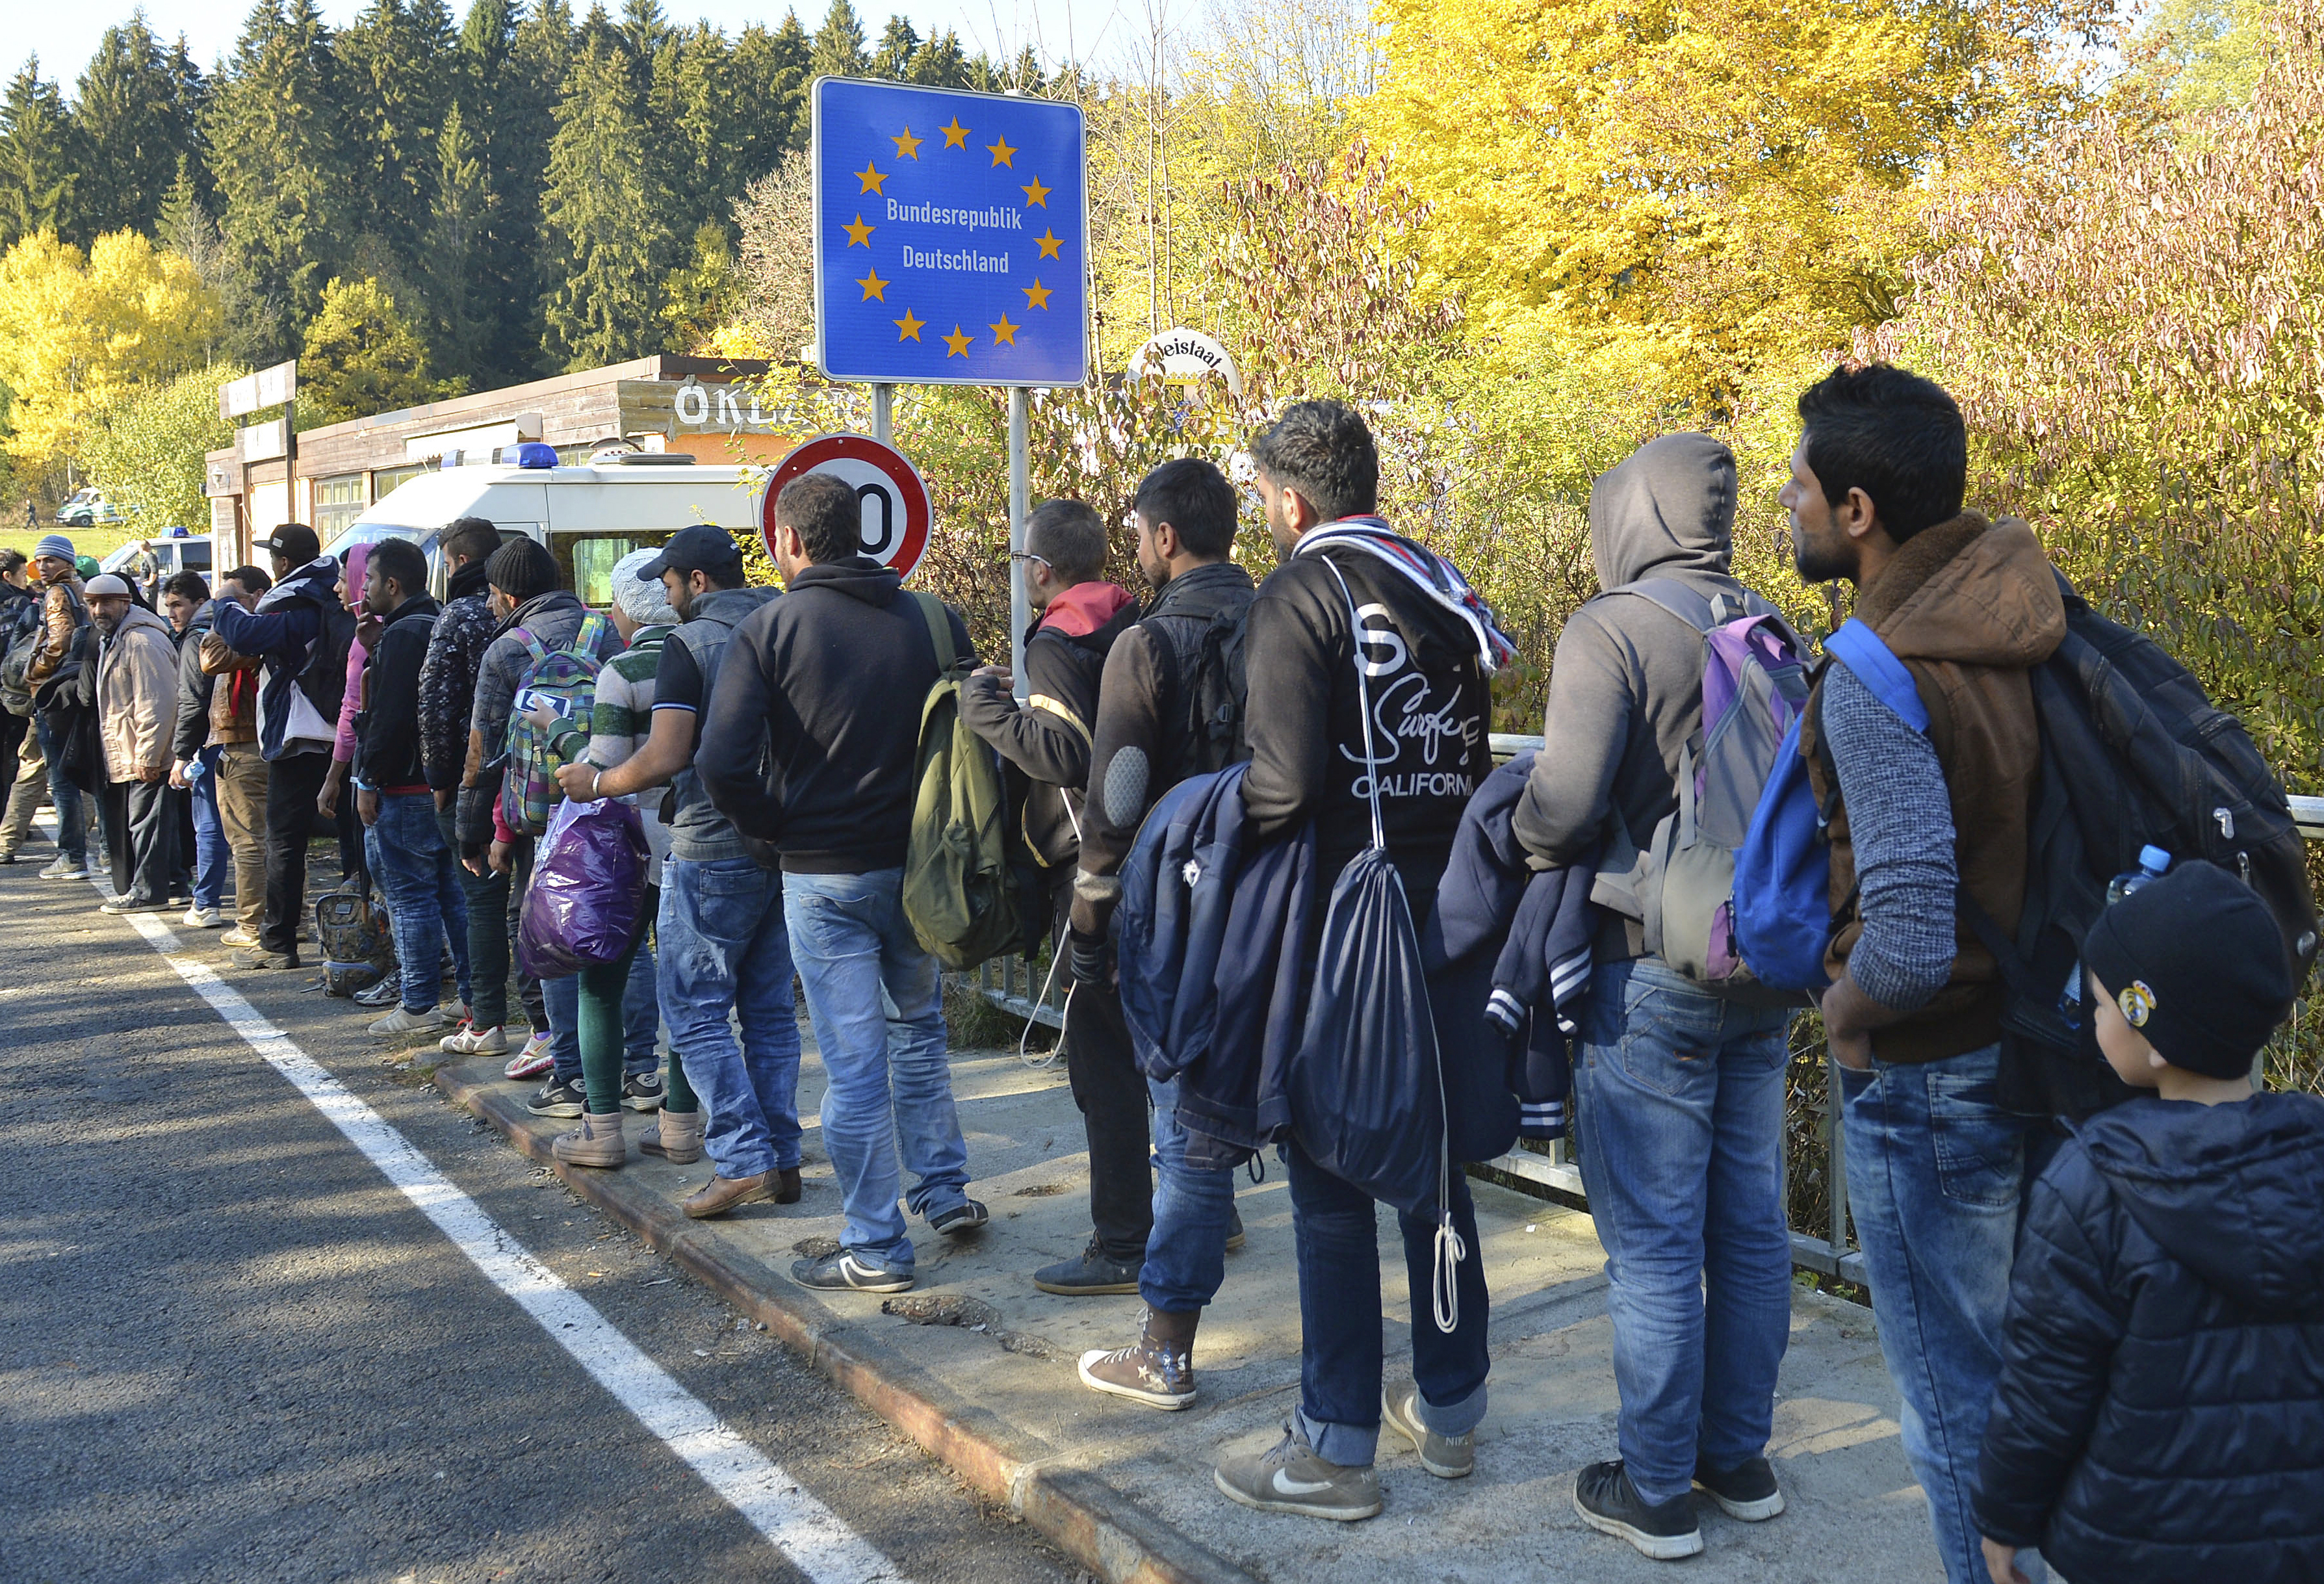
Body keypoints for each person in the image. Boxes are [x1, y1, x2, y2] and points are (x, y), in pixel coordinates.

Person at [1779, 364, 2066, 1584]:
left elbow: (1901, 931)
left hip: (1930, 1073)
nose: (1783, 503)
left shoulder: (1878, 667)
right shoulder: (2022, 613)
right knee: (2033, 1387)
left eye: (1798, 483)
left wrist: (1845, 1023)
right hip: (2039, 1042)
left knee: (1954, 1413)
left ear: (1857, 511)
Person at [1508, 435, 1800, 1559]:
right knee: (1752, 1227)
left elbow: (1565, 800)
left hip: (1648, 966)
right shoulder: (1771, 623)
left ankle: (1659, 1488)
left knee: (1655, 1246)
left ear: (1626, 509)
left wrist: (1525, 839)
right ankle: (1739, 1460)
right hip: (1764, 960)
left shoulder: (1613, 627)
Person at [1213, 399, 1499, 1522]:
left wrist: (1207, 815)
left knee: (1330, 1177)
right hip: (1451, 916)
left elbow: (1280, 787)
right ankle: (1452, 1407)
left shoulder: (1300, 594)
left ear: (1289, 501)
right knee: (1430, 1167)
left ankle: (1332, 1446)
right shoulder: (1440, 587)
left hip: (1345, 924)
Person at [1974, 861, 2324, 1584]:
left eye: (2101, 1003)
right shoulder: (2310, 1160)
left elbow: (2045, 1390)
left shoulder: (2094, 1185)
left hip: (2128, 1546)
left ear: (2153, 1033)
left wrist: (2005, 1518)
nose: (2091, 1014)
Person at [698, 475, 982, 1289]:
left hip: (823, 876)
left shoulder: (771, 629)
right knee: (921, 1031)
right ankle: (945, 1190)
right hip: (922, 870)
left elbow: (721, 761)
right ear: (868, 534)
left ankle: (878, 1247)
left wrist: (769, 828)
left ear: (790, 543)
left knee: (854, 1066)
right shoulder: (932, 619)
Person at [1070, 458, 1259, 1397]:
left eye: (1139, 534)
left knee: (1185, 1112)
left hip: (1180, 907)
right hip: (1280, 896)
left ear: (1165, 539)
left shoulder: (1146, 645)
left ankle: (1165, 1347)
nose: (1136, 547)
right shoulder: (1285, 618)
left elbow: (1118, 795)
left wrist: (1090, 906)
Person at [956, 500, 1141, 1293]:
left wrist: (988, 709)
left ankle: (1121, 1241)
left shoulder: (1060, 638)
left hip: (1091, 868)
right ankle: (1206, 1208)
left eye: (1021, 560)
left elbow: (1066, 754)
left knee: (1103, 1066)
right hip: (1160, 857)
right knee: (1155, 1050)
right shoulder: (1136, 620)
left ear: (1042, 568)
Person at [544, 541, 745, 1173]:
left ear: (630, 609)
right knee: (690, 985)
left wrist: (562, 735)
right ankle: (682, 1126)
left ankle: (602, 1129)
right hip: (701, 839)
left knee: (602, 981)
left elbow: (605, 760)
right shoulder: (722, 650)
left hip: (627, 847)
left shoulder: (623, 670)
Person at [458, 536, 598, 1112]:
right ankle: (618, 1056)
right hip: (609, 802)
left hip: (539, 815)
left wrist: (474, 828)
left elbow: (483, 748)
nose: (490, 605)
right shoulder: (601, 630)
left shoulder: (508, 649)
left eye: (491, 593)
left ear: (510, 593)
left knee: (538, 925)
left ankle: (555, 1045)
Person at [209, 525, 352, 970]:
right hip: (345, 737)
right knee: (354, 841)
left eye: (273, 559)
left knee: (285, 842)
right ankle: (357, 938)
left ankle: (278, 942)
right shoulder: (336, 591)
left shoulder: (297, 600)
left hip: (299, 736)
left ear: (284, 562)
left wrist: (225, 600)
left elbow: (245, 636)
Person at [352, 536, 472, 1037]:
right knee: (450, 895)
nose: (365, 589)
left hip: (404, 786)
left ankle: (419, 1002)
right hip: (443, 783)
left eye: (371, 579)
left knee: (410, 898)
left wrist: (367, 777)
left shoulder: (404, 636)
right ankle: (472, 997)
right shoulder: (438, 623)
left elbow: (391, 717)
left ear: (393, 585)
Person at [415, 519, 524, 1060]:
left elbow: (437, 706)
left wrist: (439, 781)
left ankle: (486, 1019)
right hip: (539, 777)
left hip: (476, 779)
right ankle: (549, 1025)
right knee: (528, 900)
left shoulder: (458, 616)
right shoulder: (557, 615)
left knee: (481, 897)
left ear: (456, 562)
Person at [84, 573, 179, 913]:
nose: (99, 610)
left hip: (145, 752)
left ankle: (149, 893)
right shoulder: (113, 638)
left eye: (107, 602)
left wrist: (149, 755)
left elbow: (158, 702)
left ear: (126, 602)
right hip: (130, 749)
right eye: (92, 603)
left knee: (146, 825)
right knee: (148, 824)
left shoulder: (141, 640)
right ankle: (170, 885)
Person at [196, 567, 274, 948]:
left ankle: (253, 924)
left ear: (257, 596)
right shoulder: (272, 630)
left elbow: (210, 658)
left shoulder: (253, 633)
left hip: (247, 747)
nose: (226, 607)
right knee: (277, 839)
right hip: (262, 743)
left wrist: (224, 607)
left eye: (235, 598)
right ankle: (285, 921)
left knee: (249, 841)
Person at [161, 570, 230, 928]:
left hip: (211, 742)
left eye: (178, 605)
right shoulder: (229, 627)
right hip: (238, 736)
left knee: (209, 824)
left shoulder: (195, 641)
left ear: (200, 603)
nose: (172, 613)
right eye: (168, 606)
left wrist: (183, 754)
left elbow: (192, 700)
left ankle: (206, 903)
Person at [25, 533, 92, 880]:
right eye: (39, 561)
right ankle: (109, 854)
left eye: (50, 560)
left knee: (61, 779)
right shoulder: (84, 589)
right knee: (95, 773)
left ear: (67, 561)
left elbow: (61, 640)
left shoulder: (56, 593)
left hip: (56, 692)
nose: (42, 567)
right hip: (83, 687)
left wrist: (34, 669)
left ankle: (71, 855)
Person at [0, 548, 34, 853]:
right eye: (24, 575)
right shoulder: (19, 604)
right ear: (7, 576)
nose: (28, 580)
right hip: (12, 694)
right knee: (14, 758)